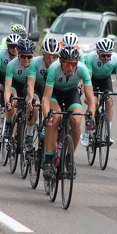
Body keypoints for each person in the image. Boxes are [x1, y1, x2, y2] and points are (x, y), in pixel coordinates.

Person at [42, 46, 95, 179]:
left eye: (73, 64)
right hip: (55, 93)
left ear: (77, 63)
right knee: (55, 117)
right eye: (67, 64)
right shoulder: (54, 69)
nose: (70, 67)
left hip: (71, 93)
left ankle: (69, 158)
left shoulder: (82, 69)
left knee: (77, 120)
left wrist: (91, 117)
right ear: (61, 62)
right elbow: (45, 98)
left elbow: (91, 99)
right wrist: (46, 115)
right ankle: (48, 160)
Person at [80, 38, 117, 147]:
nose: (106, 58)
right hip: (92, 80)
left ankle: (107, 133)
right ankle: (86, 133)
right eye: (103, 55)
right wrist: (88, 95)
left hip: (106, 80)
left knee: (109, 100)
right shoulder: (91, 57)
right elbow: (88, 77)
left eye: (108, 55)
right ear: (97, 52)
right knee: (93, 102)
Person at [26, 38, 61, 151]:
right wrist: (31, 97)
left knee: (58, 111)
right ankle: (29, 135)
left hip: (51, 91)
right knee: (34, 106)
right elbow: (30, 83)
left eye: (54, 56)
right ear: (43, 54)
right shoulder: (36, 62)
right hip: (36, 88)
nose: (51, 59)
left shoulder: (60, 65)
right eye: (48, 56)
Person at [0, 33, 22, 142]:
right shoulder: (1, 54)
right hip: (1, 77)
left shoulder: (22, 57)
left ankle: (11, 129)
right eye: (11, 46)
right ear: (7, 47)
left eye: (16, 46)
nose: (14, 49)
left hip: (12, 80)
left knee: (14, 100)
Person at [3, 38, 36, 142]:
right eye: (23, 56)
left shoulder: (36, 64)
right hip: (15, 85)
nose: (26, 60)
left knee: (32, 102)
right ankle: (8, 123)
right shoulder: (12, 65)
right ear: (18, 54)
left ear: (33, 56)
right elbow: (7, 87)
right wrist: (7, 102)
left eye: (29, 57)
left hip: (28, 86)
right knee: (12, 101)